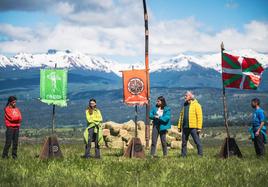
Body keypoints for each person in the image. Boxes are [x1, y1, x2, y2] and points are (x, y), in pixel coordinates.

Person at [178, 91, 203, 157]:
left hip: (193, 127)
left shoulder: (197, 105)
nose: (185, 97)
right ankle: (183, 155)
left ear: (191, 97)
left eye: (186, 95)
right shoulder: (185, 105)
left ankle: (200, 155)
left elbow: (199, 117)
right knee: (184, 142)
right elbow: (181, 115)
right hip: (185, 127)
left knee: (197, 141)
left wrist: (199, 128)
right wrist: (179, 126)